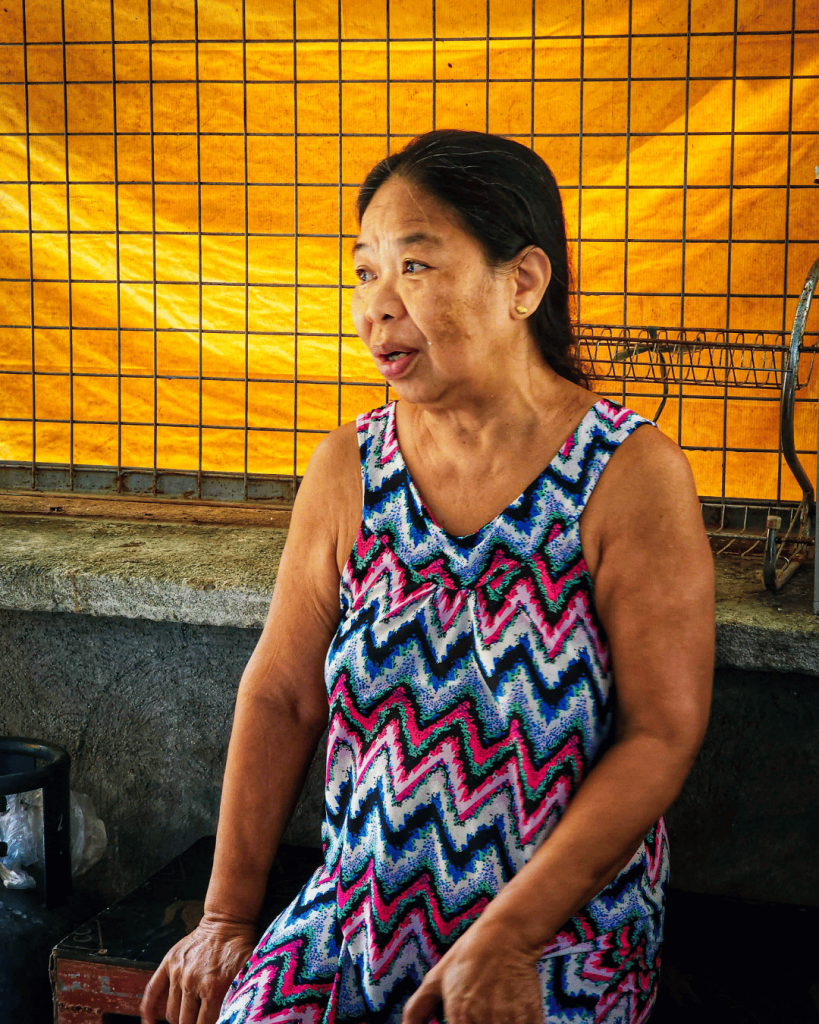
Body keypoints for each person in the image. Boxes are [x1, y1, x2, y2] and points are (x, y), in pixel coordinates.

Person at [141, 129, 714, 1024]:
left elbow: (659, 735)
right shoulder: (348, 469)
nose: (376, 306)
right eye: (364, 271)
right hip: (350, 922)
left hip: (557, 940)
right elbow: (284, 692)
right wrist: (225, 915)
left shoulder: (627, 475)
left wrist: (510, 936)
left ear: (522, 282)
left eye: (414, 266)